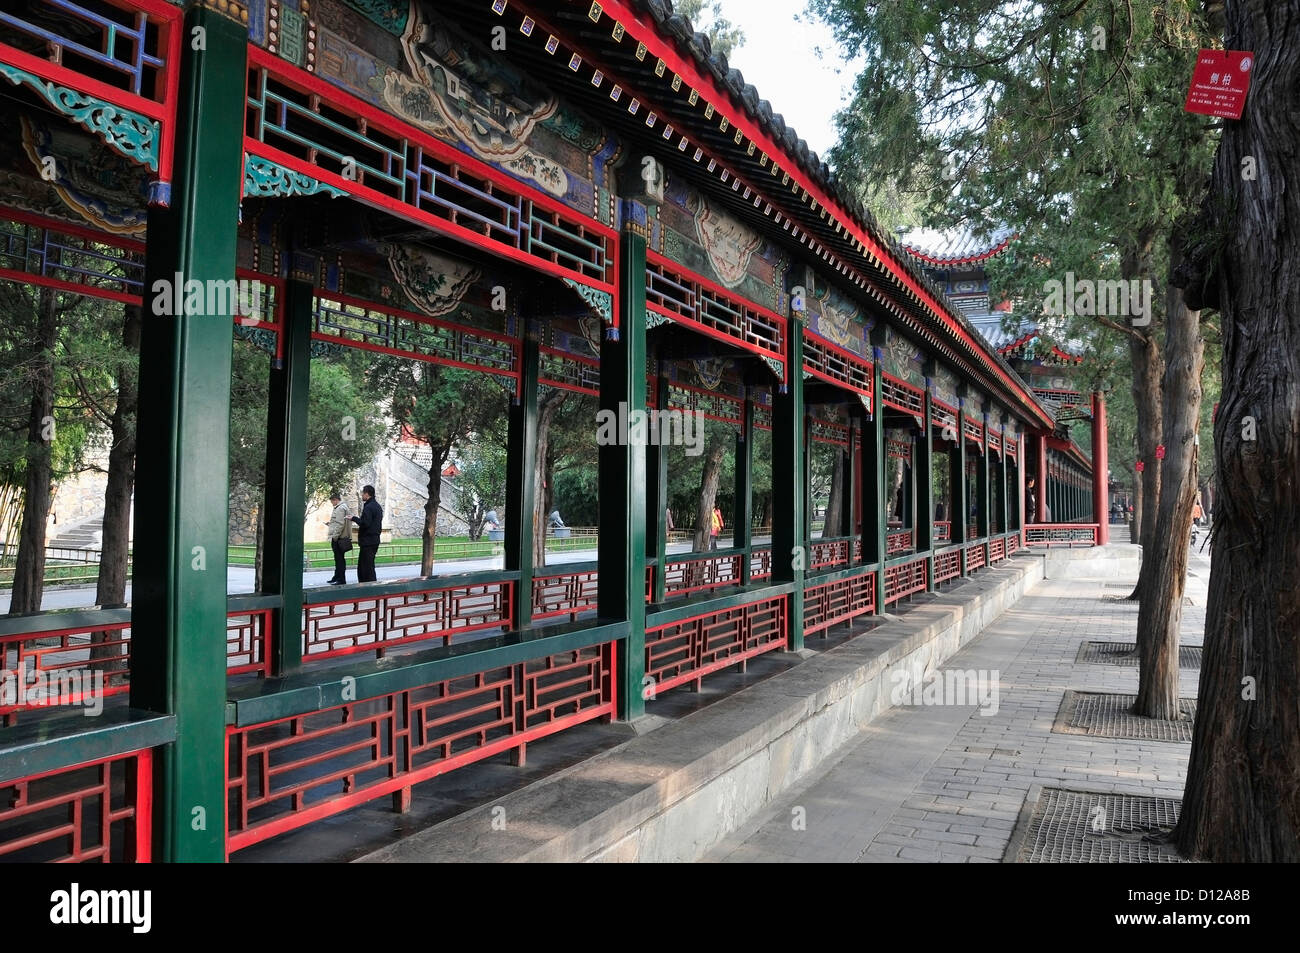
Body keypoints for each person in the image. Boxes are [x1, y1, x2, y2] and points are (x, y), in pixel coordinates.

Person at [350, 485, 383, 583]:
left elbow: (365, 523)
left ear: (367, 494)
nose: (361, 496)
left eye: (363, 493)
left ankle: (369, 588)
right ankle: (369, 586)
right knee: (368, 565)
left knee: (365, 567)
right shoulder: (377, 506)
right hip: (374, 540)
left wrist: (354, 518)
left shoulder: (369, 507)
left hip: (368, 541)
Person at [325, 491, 351, 585]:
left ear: (335, 500)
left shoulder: (340, 508)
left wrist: (335, 537)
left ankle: (341, 579)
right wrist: (331, 524)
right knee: (339, 559)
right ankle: (336, 576)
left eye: (332, 501)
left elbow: (340, 524)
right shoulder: (342, 507)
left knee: (339, 559)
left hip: (339, 538)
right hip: (340, 536)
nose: (332, 504)